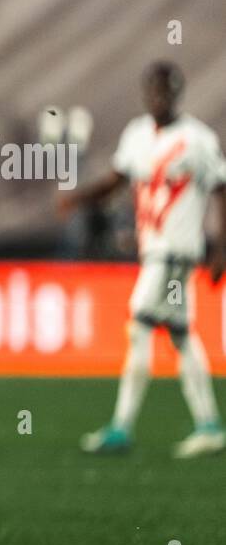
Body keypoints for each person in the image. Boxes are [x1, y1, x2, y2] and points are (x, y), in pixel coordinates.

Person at [59, 61, 226, 458]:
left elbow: (221, 188)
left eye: (164, 91)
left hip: (174, 251)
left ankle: (122, 427)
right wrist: (78, 198)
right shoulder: (136, 135)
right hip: (154, 248)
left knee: (139, 325)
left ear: (177, 94)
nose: (157, 97)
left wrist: (221, 248)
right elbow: (116, 180)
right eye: (152, 90)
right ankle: (209, 424)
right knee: (181, 335)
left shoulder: (196, 140)